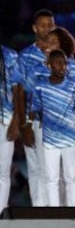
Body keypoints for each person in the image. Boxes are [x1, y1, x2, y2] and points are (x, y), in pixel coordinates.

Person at [26, 49, 75, 206]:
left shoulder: (73, 85)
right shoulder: (40, 87)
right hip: (49, 139)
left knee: (71, 177)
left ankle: (73, 213)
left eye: (64, 63)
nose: (62, 66)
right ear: (49, 65)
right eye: (58, 63)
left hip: (70, 138)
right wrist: (28, 127)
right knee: (51, 178)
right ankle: (55, 213)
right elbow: (34, 110)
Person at [16, 8, 56, 207]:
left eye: (50, 24)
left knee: (56, 169)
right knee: (37, 167)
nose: (47, 28)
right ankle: (40, 211)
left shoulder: (64, 54)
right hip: (36, 119)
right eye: (43, 25)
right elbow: (19, 92)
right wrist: (23, 123)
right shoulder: (25, 57)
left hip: (59, 119)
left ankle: (57, 211)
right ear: (34, 28)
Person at [0, 44, 20, 214]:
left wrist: (16, 122)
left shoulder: (10, 56)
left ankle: (0, 213)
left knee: (3, 171)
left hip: (4, 120)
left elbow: (18, 91)